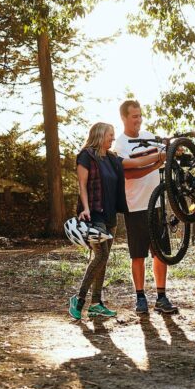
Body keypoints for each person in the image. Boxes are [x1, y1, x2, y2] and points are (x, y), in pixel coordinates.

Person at [114, 99, 179, 315]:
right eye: (134, 116)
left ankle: (161, 296)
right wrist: (158, 159)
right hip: (135, 206)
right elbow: (128, 172)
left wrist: (171, 152)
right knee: (138, 255)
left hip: (157, 204)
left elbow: (169, 153)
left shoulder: (151, 138)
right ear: (124, 117)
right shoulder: (120, 144)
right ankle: (140, 297)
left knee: (160, 253)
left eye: (140, 116)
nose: (138, 120)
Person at [69, 122, 126, 321]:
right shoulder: (86, 155)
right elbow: (82, 185)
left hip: (110, 215)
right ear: (100, 135)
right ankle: (79, 299)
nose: (113, 138)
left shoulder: (111, 158)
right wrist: (85, 208)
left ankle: (96, 304)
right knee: (100, 256)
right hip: (94, 214)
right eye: (110, 134)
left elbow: (130, 165)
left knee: (104, 258)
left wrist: (160, 156)